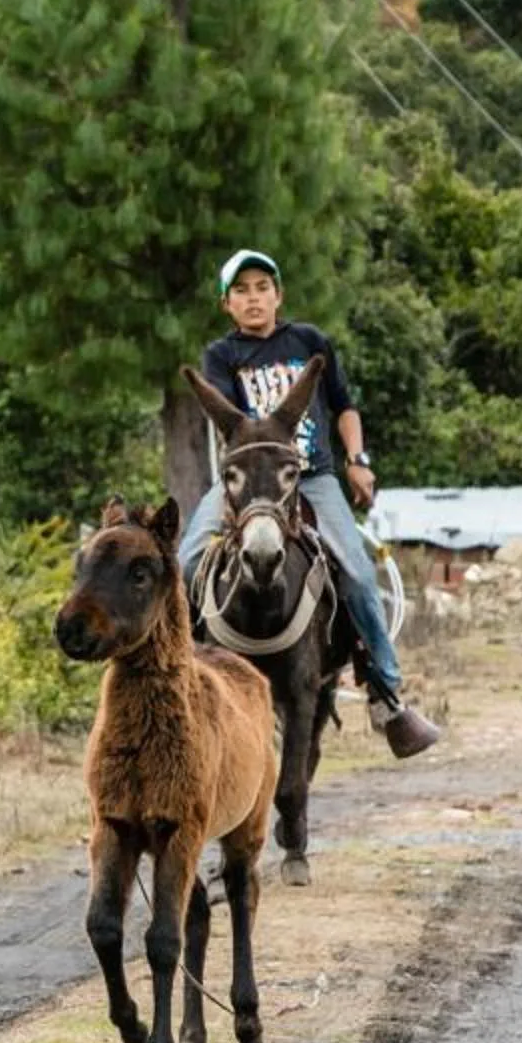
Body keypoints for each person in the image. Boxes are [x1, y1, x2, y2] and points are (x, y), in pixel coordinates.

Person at [180, 247, 442, 760]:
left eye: (262, 288)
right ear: (226, 304)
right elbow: (228, 419)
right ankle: (183, 676)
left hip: (312, 475)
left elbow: (343, 407)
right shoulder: (221, 356)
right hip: (249, 478)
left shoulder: (308, 342)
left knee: (360, 575)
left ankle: (386, 695)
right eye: (241, 291)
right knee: (187, 559)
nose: (253, 299)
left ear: (278, 295)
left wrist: (357, 458)